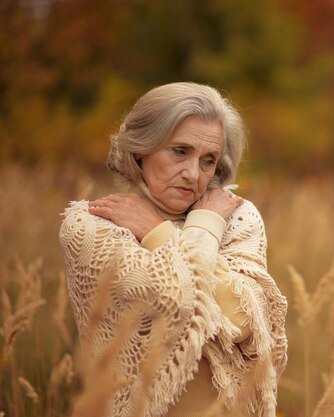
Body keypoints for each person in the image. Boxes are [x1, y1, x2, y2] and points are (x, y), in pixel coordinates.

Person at [58, 82, 288, 417]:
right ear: (141, 149)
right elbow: (175, 299)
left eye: (208, 160)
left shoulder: (235, 215)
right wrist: (195, 230)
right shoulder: (91, 226)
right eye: (179, 151)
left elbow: (245, 321)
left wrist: (161, 232)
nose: (193, 173)